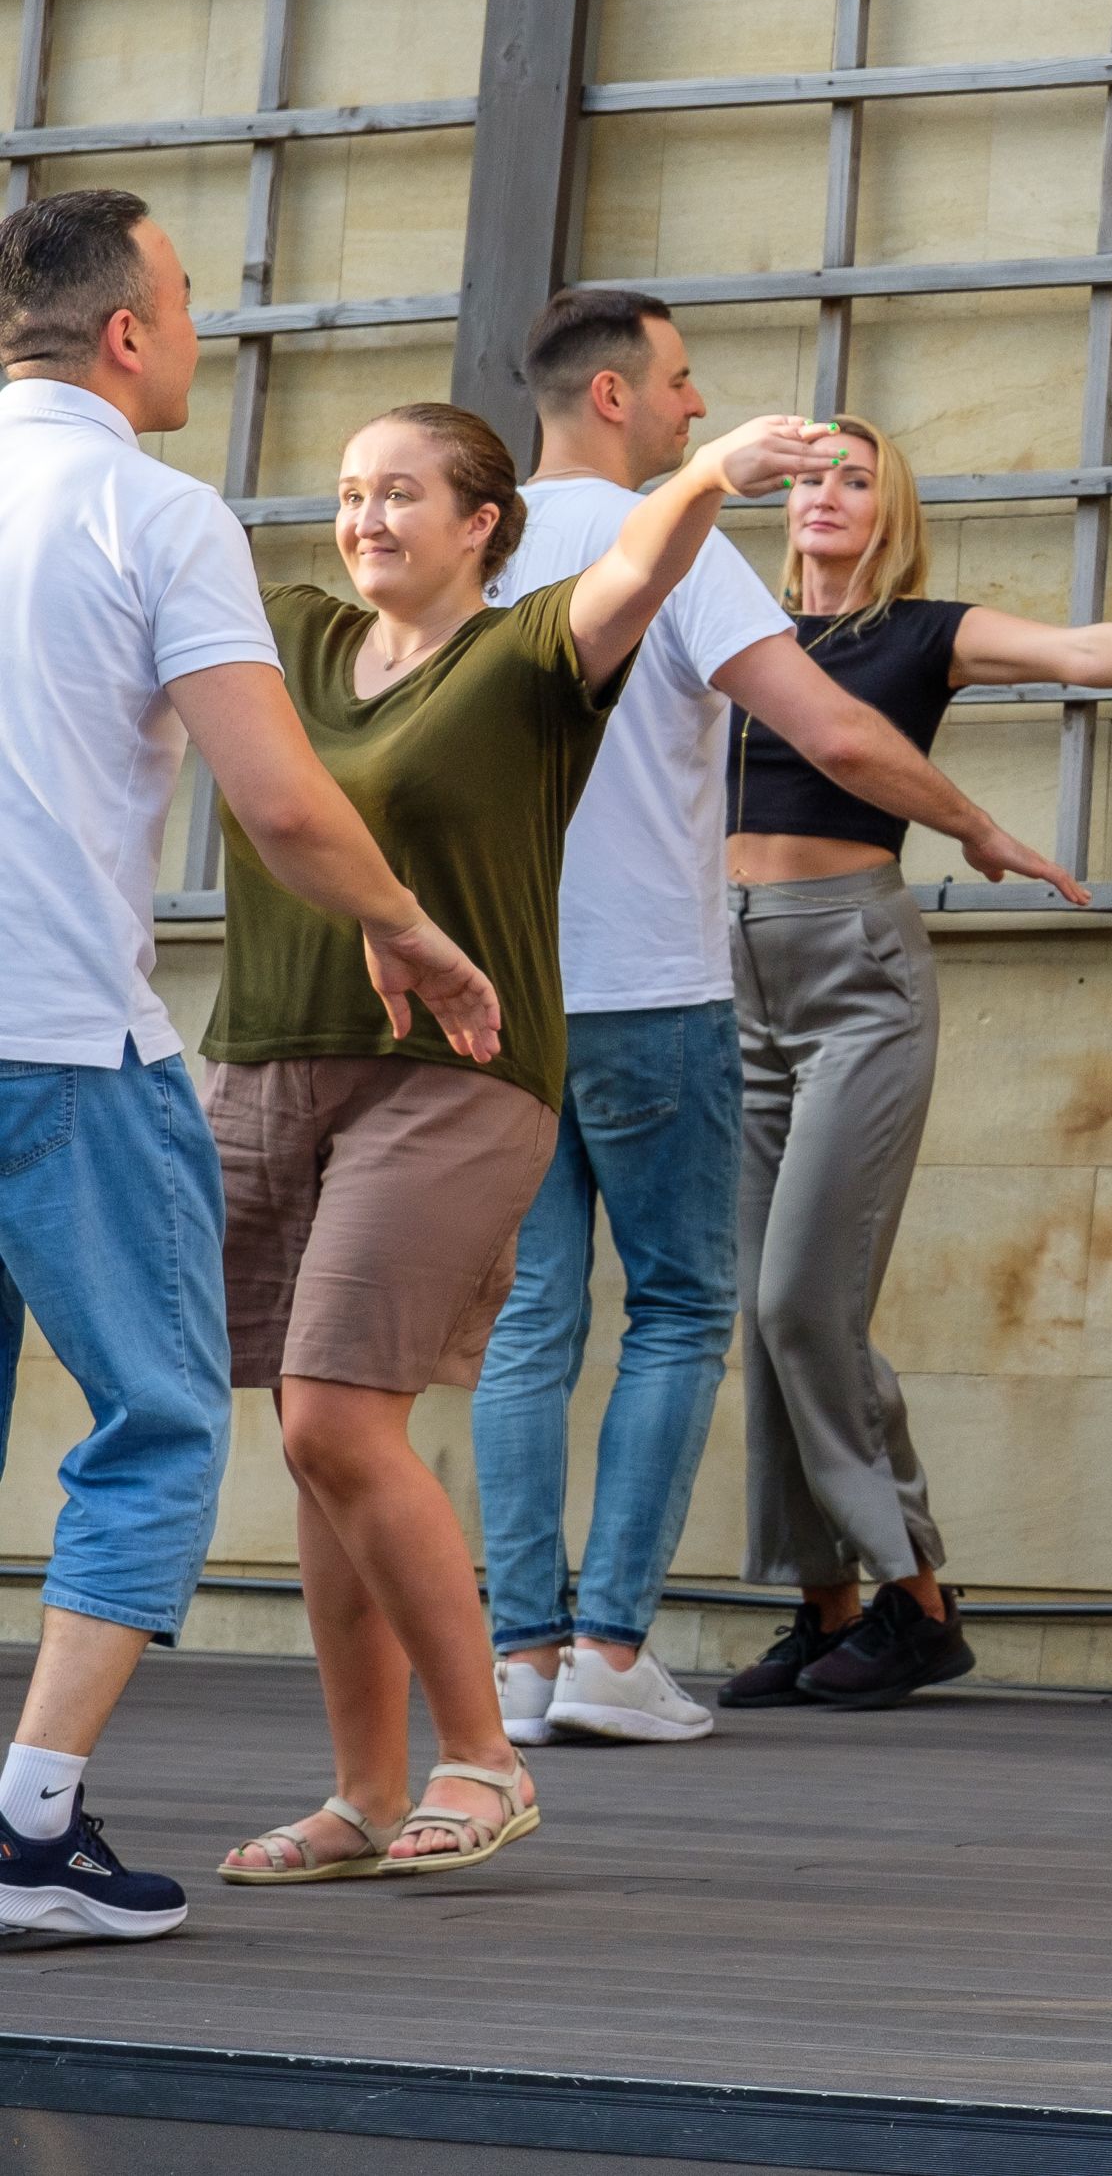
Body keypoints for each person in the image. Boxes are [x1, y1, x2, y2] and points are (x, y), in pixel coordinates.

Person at [202, 395, 841, 1885]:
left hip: (457, 1079)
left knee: (335, 1419)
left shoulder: (532, 656)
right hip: (270, 1065)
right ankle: (362, 1795)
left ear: (484, 522)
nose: (365, 518)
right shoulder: (287, 638)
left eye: (404, 494)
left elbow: (639, 571)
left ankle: (483, 1760)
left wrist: (705, 474)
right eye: (352, 491)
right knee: (319, 1450)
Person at [473, 289, 1076, 1754]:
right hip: (667, 994)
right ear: (613, 397)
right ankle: (622, 1642)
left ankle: (522, 1660)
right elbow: (840, 735)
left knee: (543, 1324)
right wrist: (979, 826)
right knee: (697, 1311)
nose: (696, 407)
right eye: (679, 383)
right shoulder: (680, 552)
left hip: (509, 998)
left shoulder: (470, 550)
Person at [0, 191, 504, 1941]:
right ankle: (32, 1828)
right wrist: (413, 930)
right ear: (127, 334)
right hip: (66, 1042)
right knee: (152, 1431)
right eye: (190, 295)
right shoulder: (154, 511)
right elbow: (280, 798)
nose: (201, 326)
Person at [712, 416, 1112, 1713]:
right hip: (730, 978)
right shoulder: (735, 635)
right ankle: (821, 1600)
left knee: (803, 1299)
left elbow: (1080, 651)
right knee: (758, 1310)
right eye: (810, 477)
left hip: (856, 977)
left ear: (890, 511)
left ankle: (916, 1598)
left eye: (857, 479)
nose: (828, 495)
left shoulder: (920, 632)